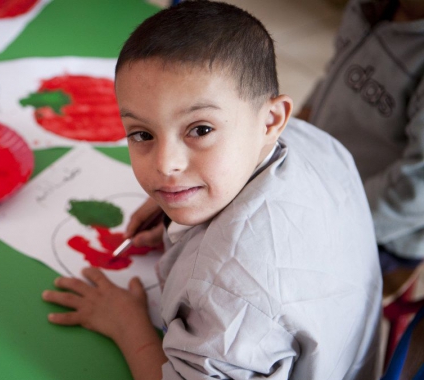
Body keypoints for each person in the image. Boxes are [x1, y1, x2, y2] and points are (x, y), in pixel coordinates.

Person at [42, 1, 383, 379]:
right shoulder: (311, 139)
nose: (165, 164)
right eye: (143, 134)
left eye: (200, 130)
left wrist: (126, 323)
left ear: (271, 119)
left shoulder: (226, 291)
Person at [298, 0, 424, 271]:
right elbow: (335, 74)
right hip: (319, 191)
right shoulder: (367, 7)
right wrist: (293, 131)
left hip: (376, 233)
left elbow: (416, 188)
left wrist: (335, 221)